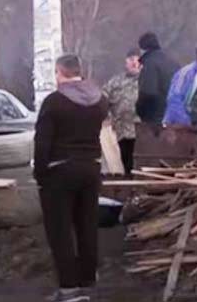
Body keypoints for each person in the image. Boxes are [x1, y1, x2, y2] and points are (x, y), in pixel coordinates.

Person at [34, 54, 109, 302]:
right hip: (91, 168)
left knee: (60, 230)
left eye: (56, 73)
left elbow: (42, 142)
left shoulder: (54, 102)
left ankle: (68, 288)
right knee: (88, 226)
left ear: (60, 72)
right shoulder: (100, 100)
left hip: (60, 171)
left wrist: (40, 173)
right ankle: (88, 282)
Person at [103, 49, 141, 177]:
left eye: (137, 60)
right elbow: (102, 100)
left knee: (142, 166)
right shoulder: (115, 82)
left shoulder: (148, 81)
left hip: (143, 133)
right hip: (122, 133)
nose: (134, 63)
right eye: (131, 60)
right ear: (126, 62)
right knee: (126, 166)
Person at [135, 32, 179, 125]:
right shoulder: (173, 62)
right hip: (175, 119)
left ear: (142, 49)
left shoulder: (149, 64)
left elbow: (147, 93)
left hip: (156, 121)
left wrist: (140, 111)